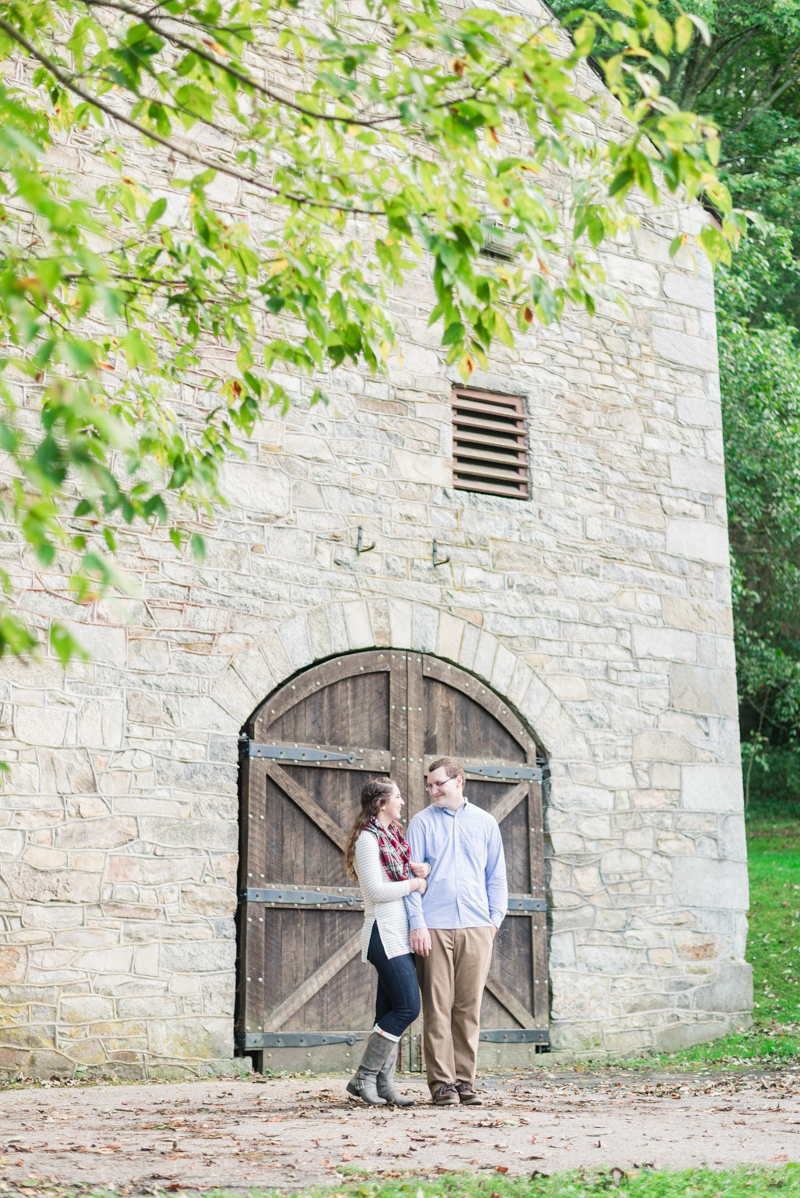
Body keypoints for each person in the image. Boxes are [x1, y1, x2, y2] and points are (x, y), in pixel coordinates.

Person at [405, 756, 508, 1106]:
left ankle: (465, 1081)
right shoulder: (420, 823)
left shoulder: (485, 823)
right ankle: (442, 1085)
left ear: (458, 781)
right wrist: (417, 923)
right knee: (437, 1008)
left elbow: (496, 875)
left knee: (468, 1007)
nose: (433, 790)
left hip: (478, 926)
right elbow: (410, 881)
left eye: (439, 784)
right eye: (430, 785)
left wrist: (495, 919)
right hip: (433, 926)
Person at [343, 778, 431, 1105]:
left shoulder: (393, 838)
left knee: (388, 1012)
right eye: (397, 796)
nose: (402, 802)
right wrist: (414, 884)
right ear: (381, 803)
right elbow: (377, 892)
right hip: (384, 932)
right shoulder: (368, 840)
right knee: (408, 1008)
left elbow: (402, 874)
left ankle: (384, 1084)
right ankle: (363, 1077)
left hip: (398, 933)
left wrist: (417, 871)